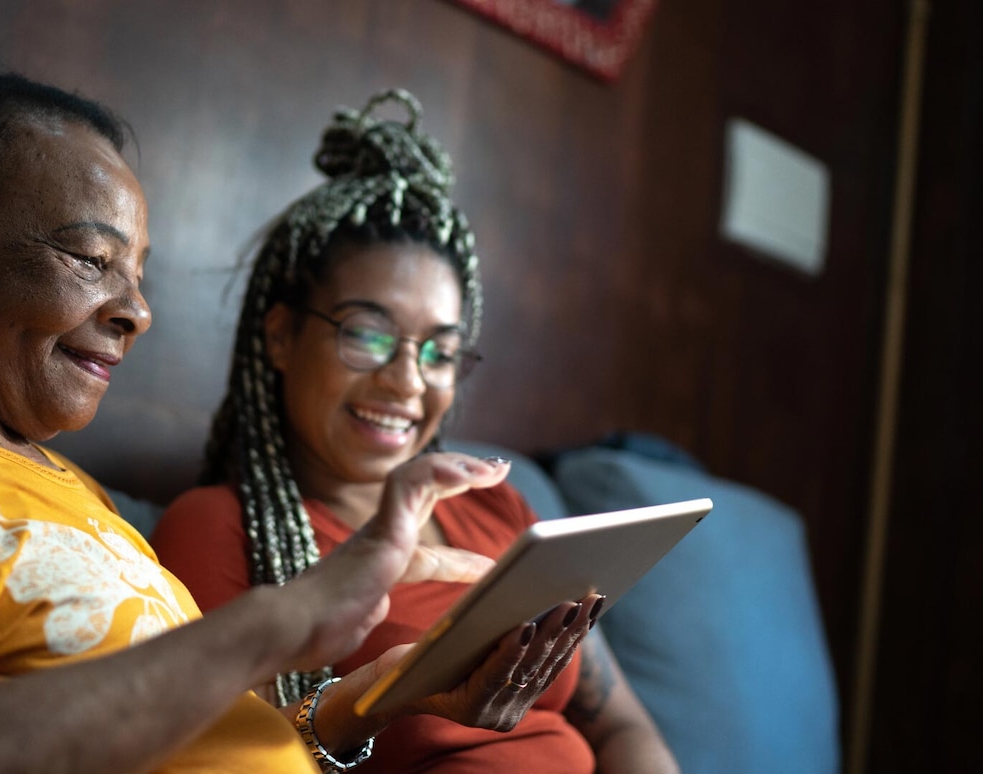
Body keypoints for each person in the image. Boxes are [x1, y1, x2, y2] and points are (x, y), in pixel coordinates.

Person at [0, 69, 568, 773]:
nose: (136, 311)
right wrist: (289, 618)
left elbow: (207, 739)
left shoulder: (77, 495)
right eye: (90, 259)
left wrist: (370, 697)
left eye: (138, 274)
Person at [150, 90, 680, 773]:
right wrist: (379, 696)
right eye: (367, 335)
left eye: (440, 350)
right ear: (280, 335)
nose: (407, 380)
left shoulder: (498, 510)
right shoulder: (219, 527)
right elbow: (226, 761)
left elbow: (624, 726)